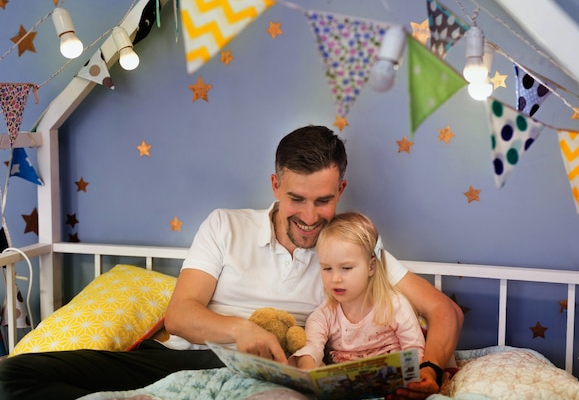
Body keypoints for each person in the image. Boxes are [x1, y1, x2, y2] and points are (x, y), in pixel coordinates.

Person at [0, 125, 463, 400]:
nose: (308, 216)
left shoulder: (355, 251)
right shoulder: (225, 225)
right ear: (275, 186)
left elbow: (445, 312)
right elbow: (180, 316)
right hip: (187, 361)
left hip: (280, 377)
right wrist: (239, 330)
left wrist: (432, 370)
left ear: (340, 191)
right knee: (11, 376)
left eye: (322, 201)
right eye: (295, 198)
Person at [290, 211, 425, 370]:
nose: (335, 278)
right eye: (327, 268)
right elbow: (311, 349)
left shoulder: (394, 306)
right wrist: (307, 372)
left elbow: (415, 351)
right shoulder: (324, 315)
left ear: (371, 267)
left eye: (346, 268)